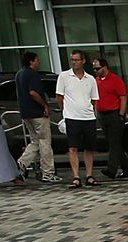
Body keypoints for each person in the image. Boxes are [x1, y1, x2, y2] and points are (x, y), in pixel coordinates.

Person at [56, 50, 100, 188]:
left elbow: (94, 99)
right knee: (73, 147)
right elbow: (59, 97)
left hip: (88, 117)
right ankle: (76, 176)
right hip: (72, 117)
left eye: (77, 60)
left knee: (89, 148)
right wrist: (65, 111)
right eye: (72, 60)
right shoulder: (64, 76)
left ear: (83, 61)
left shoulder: (90, 79)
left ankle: (89, 175)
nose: (74, 62)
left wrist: (90, 111)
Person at [14, 53, 55, 182]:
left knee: (35, 141)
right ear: (31, 62)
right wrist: (45, 105)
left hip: (26, 113)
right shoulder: (32, 75)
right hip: (38, 113)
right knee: (45, 142)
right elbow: (33, 92)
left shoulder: (19, 74)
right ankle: (48, 172)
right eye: (37, 60)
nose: (39, 62)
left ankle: (22, 162)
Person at [93, 56, 128, 179]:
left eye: (97, 68)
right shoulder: (96, 81)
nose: (96, 71)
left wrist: (121, 114)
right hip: (103, 115)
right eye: (94, 69)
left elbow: (123, 97)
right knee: (114, 143)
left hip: (114, 114)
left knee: (114, 142)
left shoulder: (115, 80)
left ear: (104, 67)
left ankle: (111, 169)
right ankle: (126, 169)